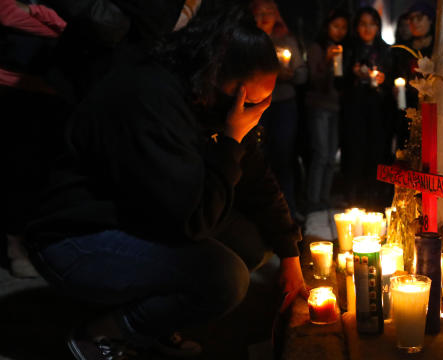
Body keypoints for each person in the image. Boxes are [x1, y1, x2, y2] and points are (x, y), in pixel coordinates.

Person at [25, 5, 306, 359]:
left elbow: (256, 176)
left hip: (135, 214)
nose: (258, 112)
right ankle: (101, 334)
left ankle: (153, 322)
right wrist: (231, 141)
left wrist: (290, 254)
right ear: (221, 80)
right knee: (225, 276)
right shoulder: (152, 98)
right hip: (75, 238)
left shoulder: (204, 92)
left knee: (250, 242)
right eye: (252, 102)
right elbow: (192, 220)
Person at [1, 0, 69, 278]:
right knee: (21, 169)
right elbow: (6, 12)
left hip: (58, 85)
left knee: (48, 169)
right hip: (15, 82)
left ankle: (41, 244)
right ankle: (17, 247)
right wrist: (61, 25)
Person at [251, 0, 308, 220]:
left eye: (269, 13)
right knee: (257, 158)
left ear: (277, 15)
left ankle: (288, 212)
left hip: (284, 105)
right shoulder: (247, 41)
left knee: (284, 157)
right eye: (259, 13)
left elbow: (303, 73)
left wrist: (290, 74)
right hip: (256, 107)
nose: (264, 18)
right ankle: (261, 213)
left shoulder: (287, 40)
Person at [342, 7, 393, 209]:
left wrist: (383, 79)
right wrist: (352, 73)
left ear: (378, 27)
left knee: (377, 152)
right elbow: (339, 80)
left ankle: (376, 198)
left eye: (372, 24)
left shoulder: (385, 50)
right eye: (363, 24)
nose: (367, 28)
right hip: (355, 109)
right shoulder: (349, 48)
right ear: (357, 27)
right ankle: (355, 200)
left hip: (379, 110)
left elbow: (392, 79)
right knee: (356, 152)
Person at [304, 9, 349, 212]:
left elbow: (340, 81)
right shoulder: (317, 48)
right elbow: (315, 80)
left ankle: (324, 197)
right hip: (319, 106)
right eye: (335, 26)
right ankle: (313, 200)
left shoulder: (344, 48)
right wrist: (328, 60)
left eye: (343, 27)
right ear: (327, 27)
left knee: (331, 155)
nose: (339, 31)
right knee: (321, 153)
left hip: (336, 106)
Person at [390, 1, 436, 150]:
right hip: (407, 109)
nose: (414, 22)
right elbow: (395, 75)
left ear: (430, 19)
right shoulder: (402, 49)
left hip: (432, 110)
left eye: (419, 18)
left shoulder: (438, 49)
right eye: (411, 18)